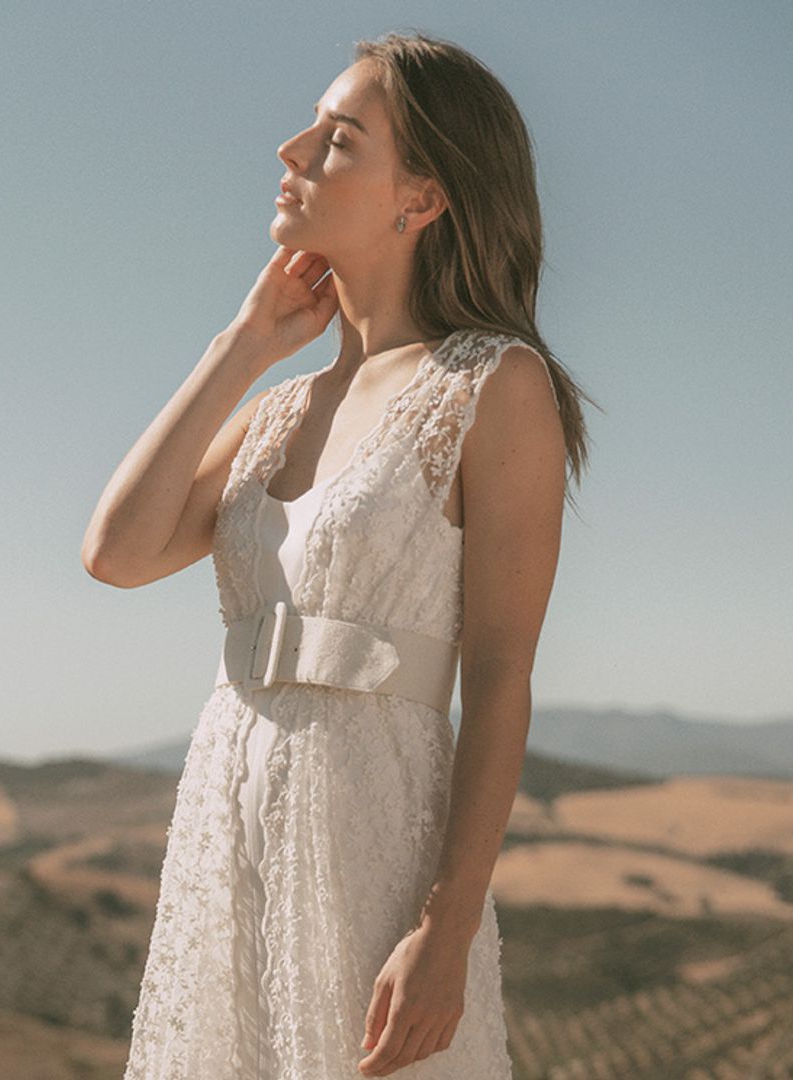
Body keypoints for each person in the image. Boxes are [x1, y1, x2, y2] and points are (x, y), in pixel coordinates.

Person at [83, 29, 594, 1080]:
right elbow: (117, 552)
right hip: (230, 819)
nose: (291, 147)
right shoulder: (276, 407)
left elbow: (500, 676)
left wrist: (446, 934)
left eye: (338, 137)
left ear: (423, 196)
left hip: (372, 837)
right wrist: (246, 342)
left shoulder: (492, 385)